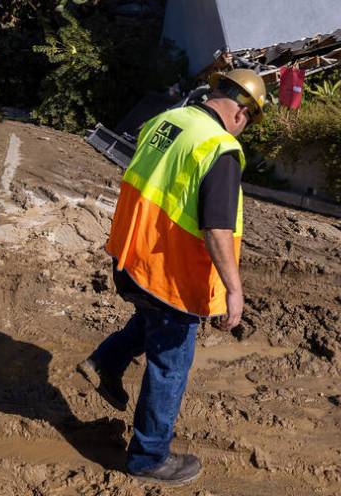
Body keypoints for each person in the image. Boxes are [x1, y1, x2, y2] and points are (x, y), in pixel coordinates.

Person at [77, 68, 266, 486]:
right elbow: (216, 228)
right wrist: (234, 290)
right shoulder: (220, 148)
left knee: (150, 319)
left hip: (132, 254)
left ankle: (104, 361)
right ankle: (148, 458)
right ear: (241, 113)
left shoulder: (168, 120)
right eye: (250, 121)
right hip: (171, 271)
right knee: (171, 362)